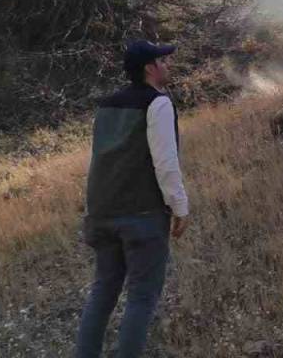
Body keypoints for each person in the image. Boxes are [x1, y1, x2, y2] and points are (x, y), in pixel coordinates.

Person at [75, 40, 189, 358]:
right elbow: (165, 163)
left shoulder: (106, 105)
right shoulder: (158, 103)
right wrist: (180, 206)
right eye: (163, 61)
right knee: (141, 298)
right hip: (142, 215)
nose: (167, 65)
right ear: (149, 68)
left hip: (100, 214)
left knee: (102, 293)